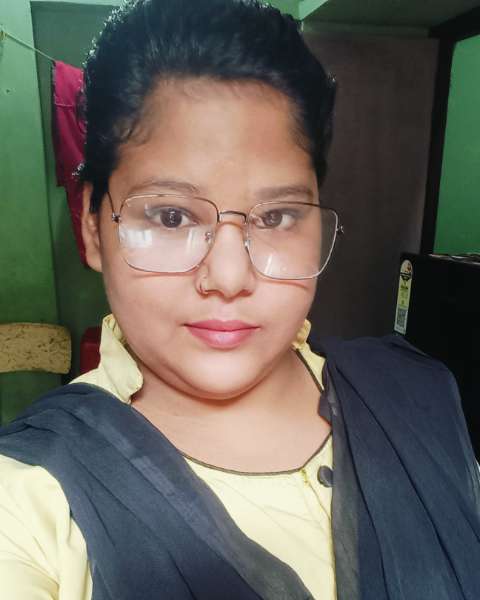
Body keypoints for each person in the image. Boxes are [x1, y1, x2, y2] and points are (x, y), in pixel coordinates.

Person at [0, 1, 479, 599]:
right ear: (94, 227)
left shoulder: (417, 394)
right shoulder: (28, 503)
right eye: (171, 216)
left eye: (276, 217)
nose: (228, 278)